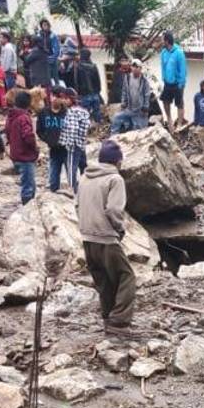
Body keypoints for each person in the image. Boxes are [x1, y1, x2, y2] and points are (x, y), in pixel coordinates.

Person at [76, 139, 136, 336]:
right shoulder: (115, 180)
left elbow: (77, 205)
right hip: (106, 238)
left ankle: (107, 317)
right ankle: (119, 323)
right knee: (126, 277)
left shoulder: (85, 177)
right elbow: (113, 209)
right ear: (117, 162)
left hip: (87, 238)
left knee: (104, 281)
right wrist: (120, 229)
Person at [4, 90, 39, 204]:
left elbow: (7, 133)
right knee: (28, 184)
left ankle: (29, 204)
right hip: (25, 155)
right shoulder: (24, 117)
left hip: (16, 154)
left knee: (28, 182)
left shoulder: (11, 116)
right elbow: (28, 136)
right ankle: (27, 209)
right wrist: (35, 148)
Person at [58, 88, 90, 192]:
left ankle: (72, 189)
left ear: (69, 99)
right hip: (81, 142)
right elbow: (87, 125)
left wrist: (68, 144)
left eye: (65, 99)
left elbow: (72, 128)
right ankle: (86, 186)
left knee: (71, 167)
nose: (63, 101)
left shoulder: (71, 112)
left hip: (73, 144)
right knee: (83, 165)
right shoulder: (83, 111)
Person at [36, 90, 69, 191]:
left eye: (59, 97)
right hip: (53, 149)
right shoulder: (44, 112)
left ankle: (76, 197)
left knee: (72, 174)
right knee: (54, 174)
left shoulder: (68, 112)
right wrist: (48, 139)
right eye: (54, 96)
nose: (56, 99)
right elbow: (39, 130)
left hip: (67, 148)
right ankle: (54, 194)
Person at [111, 58, 151, 134]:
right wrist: (123, 103)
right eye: (133, 66)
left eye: (137, 67)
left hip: (140, 111)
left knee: (139, 131)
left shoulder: (144, 80)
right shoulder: (128, 78)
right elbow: (124, 92)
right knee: (116, 118)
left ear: (140, 68)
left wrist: (145, 107)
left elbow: (147, 95)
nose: (135, 69)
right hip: (129, 109)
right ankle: (114, 137)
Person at [159, 31, 188, 129]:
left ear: (167, 40)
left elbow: (183, 69)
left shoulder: (178, 52)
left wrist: (181, 83)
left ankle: (179, 124)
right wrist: (164, 77)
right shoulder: (163, 52)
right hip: (168, 82)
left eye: (162, 39)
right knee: (165, 100)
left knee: (179, 103)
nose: (161, 41)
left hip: (178, 83)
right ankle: (169, 119)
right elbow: (163, 66)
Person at [75, 48, 102, 122]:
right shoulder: (94, 66)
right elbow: (98, 81)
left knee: (84, 115)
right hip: (95, 94)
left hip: (84, 95)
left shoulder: (78, 66)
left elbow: (76, 81)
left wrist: (78, 94)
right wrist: (98, 91)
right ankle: (98, 129)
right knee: (97, 113)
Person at [36, 19, 60, 83]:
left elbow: (56, 49)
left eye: (46, 25)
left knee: (55, 78)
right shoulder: (39, 35)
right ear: (41, 26)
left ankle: (58, 90)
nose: (45, 26)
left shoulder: (53, 35)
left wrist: (52, 58)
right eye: (43, 25)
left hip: (51, 59)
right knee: (45, 80)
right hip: (42, 61)